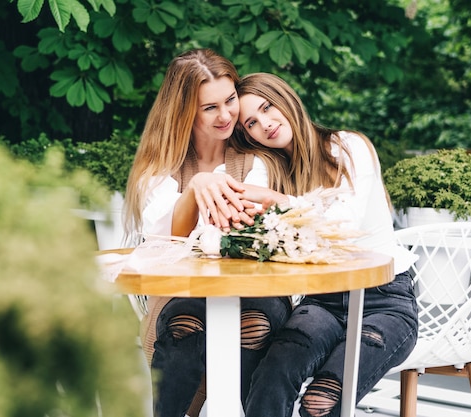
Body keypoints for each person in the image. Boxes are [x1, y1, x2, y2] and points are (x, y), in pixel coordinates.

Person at [226, 72, 419, 417]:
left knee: (322, 402)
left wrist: (275, 201)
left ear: (286, 99)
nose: (265, 124)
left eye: (268, 108)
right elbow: (247, 210)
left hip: (384, 300)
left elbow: (343, 225)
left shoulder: (347, 146)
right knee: (271, 374)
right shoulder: (273, 168)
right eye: (251, 123)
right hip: (323, 301)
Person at [122, 51, 291, 417]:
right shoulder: (160, 167)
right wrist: (197, 186)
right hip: (182, 292)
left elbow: (242, 235)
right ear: (185, 112)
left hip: (255, 291)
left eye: (230, 100)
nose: (226, 115)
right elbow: (167, 243)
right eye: (209, 107)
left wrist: (207, 202)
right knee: (185, 327)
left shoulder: (256, 162)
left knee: (255, 325)